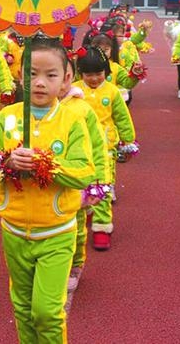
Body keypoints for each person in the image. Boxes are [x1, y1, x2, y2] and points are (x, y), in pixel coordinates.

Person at [0, 36, 96, 344]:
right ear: (20, 75)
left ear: (66, 79)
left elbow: (84, 173)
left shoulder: (73, 120)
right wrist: (7, 163)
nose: (40, 82)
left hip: (57, 233)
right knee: (23, 307)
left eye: (50, 75)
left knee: (47, 312)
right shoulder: (6, 118)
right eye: (31, 74)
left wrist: (48, 165)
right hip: (14, 231)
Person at [58, 57, 109, 311]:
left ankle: (74, 265)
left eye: (56, 75)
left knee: (76, 228)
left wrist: (98, 181)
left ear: (69, 77)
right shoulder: (29, 110)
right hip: (43, 185)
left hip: (74, 182)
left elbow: (97, 147)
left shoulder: (82, 109)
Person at [73, 46, 136, 251]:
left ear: (106, 71)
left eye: (98, 73)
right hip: (78, 148)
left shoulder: (112, 91)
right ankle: (86, 212)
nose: (94, 79)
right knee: (78, 186)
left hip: (105, 148)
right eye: (88, 74)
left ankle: (102, 227)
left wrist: (128, 140)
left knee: (103, 187)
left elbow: (122, 118)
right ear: (80, 73)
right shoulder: (73, 91)